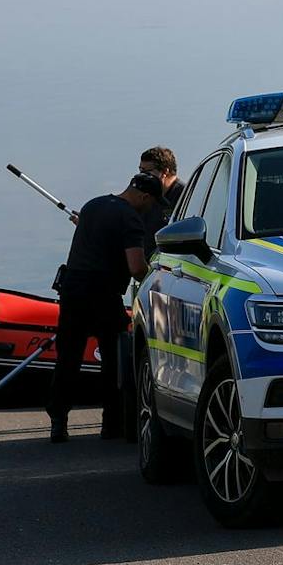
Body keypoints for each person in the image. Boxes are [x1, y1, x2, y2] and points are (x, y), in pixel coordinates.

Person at [47, 172, 159, 443]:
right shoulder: (131, 218)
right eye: (153, 202)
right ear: (144, 196)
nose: (151, 208)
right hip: (103, 292)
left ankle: (59, 423)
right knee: (113, 359)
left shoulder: (92, 205)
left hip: (72, 289)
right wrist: (155, 279)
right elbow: (135, 267)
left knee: (68, 357)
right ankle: (111, 424)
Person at [138, 145, 183, 235]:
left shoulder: (184, 196)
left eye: (147, 172)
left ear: (164, 172)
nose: (142, 176)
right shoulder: (146, 197)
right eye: (141, 171)